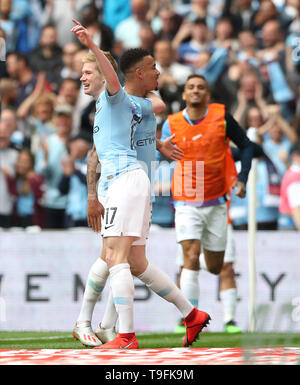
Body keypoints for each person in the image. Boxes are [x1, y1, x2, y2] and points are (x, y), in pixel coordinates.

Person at [71, 19, 211, 349]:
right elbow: (156, 105)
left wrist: (93, 47)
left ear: (106, 76)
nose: (82, 77)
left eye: (88, 72)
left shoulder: (115, 98)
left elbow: (129, 90)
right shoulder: (125, 105)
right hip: (135, 181)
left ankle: (123, 334)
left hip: (124, 181)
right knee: (134, 262)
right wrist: (157, 142)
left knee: (115, 258)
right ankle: (190, 314)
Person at [159, 74, 256, 334]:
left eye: (201, 87)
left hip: (216, 203)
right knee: (190, 257)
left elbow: (247, 146)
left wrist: (242, 178)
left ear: (207, 95)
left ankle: (225, 317)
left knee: (215, 266)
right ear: (184, 94)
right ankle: (191, 319)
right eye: (190, 87)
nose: (196, 91)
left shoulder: (221, 117)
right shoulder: (171, 124)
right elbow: (161, 152)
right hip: (186, 201)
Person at [279, 140, 300, 231]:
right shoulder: (295, 178)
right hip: (292, 226)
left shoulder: (292, 173)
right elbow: (296, 209)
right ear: (294, 156)